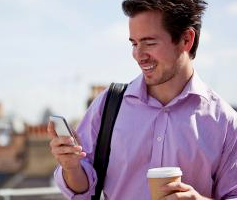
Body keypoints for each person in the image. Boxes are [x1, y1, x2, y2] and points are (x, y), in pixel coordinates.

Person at [48, 0, 237, 199]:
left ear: (186, 40)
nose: (138, 55)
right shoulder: (108, 104)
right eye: (134, 43)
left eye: (149, 43)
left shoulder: (225, 122)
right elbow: (83, 191)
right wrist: (71, 166)